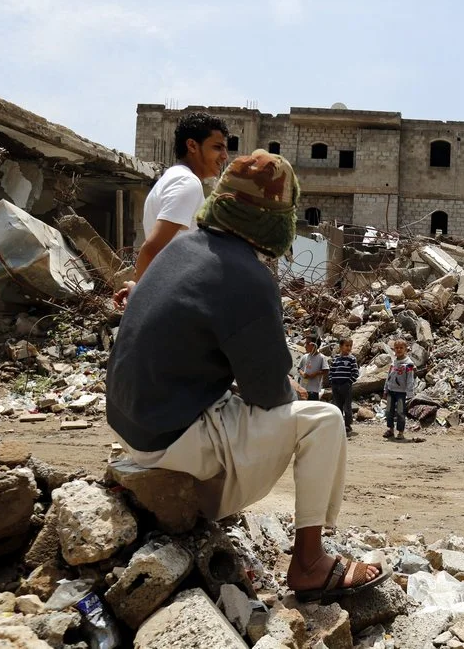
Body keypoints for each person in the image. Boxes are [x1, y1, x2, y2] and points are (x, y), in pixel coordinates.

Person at [106, 149, 385, 602]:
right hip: (170, 444)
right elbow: (268, 394)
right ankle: (311, 562)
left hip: (134, 426)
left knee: (271, 404)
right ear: (275, 218)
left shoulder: (180, 249)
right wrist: (284, 385)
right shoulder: (247, 278)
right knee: (324, 421)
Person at [114, 113, 229, 307]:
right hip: (176, 300)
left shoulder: (173, 178)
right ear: (192, 145)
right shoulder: (187, 183)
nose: (225, 156)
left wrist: (139, 286)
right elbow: (152, 247)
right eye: (217, 147)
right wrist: (140, 296)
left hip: (171, 294)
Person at [383, 339, 416, 440]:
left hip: (401, 392)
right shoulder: (394, 362)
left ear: (406, 349)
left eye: (401, 348)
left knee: (400, 412)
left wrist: (410, 393)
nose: (399, 350)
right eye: (396, 348)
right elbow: (389, 376)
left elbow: (410, 379)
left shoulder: (409, 364)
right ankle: (390, 429)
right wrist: (385, 389)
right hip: (391, 391)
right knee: (389, 411)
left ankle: (401, 432)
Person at [329, 338, 359, 435]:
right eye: (346, 346)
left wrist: (348, 383)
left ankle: (347, 425)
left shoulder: (352, 359)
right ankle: (338, 424)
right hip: (336, 386)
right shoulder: (336, 358)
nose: (349, 348)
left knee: (347, 407)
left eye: (350, 346)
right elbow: (331, 371)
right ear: (341, 346)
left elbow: (355, 373)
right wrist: (331, 382)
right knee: (337, 406)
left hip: (346, 386)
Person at [298, 337, 329, 402]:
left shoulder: (321, 358)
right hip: (303, 388)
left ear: (314, 345)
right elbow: (299, 368)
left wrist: (315, 374)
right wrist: (302, 373)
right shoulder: (305, 356)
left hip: (314, 389)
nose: (305, 345)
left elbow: (326, 370)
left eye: (307, 343)